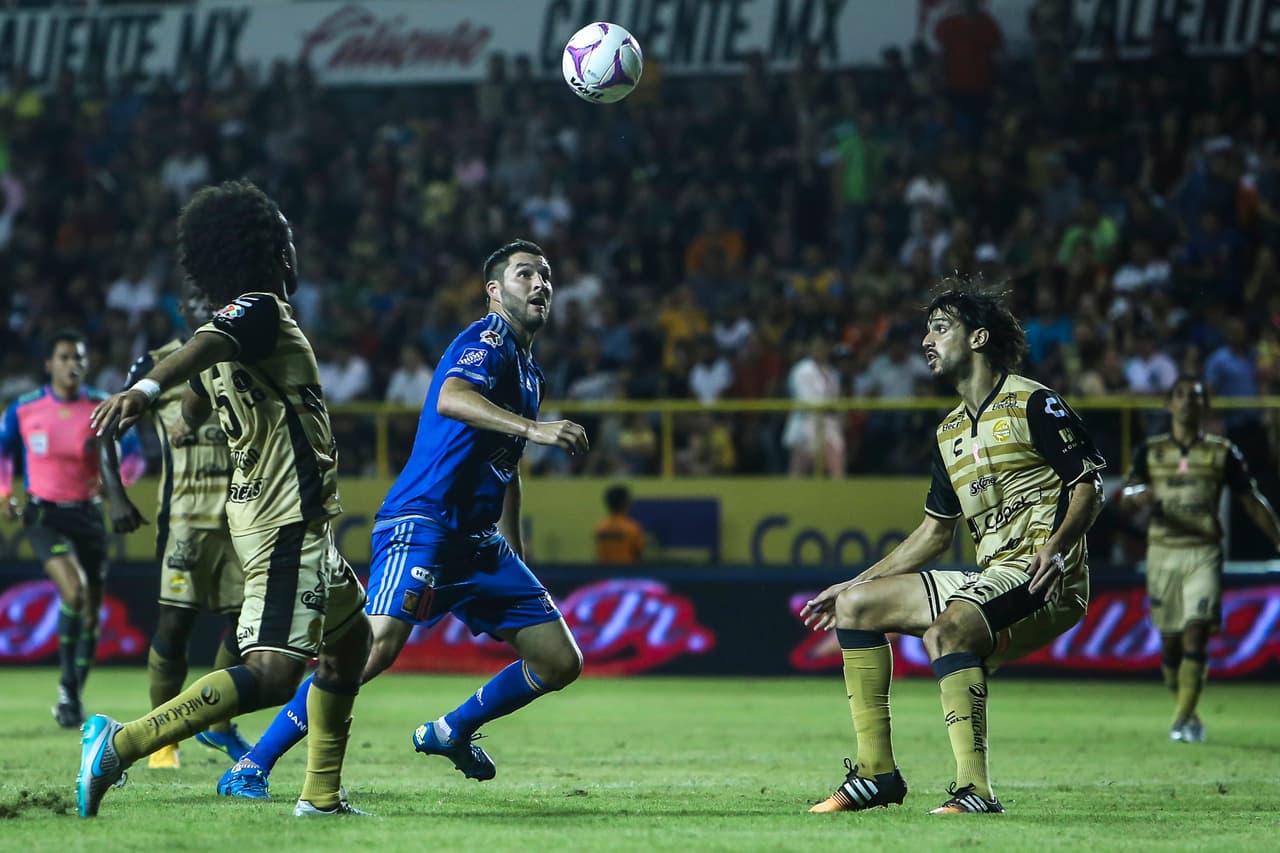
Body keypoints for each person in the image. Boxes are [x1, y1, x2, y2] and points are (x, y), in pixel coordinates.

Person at [216, 239, 588, 799]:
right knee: (374, 648)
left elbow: (506, 464)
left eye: (546, 275)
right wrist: (535, 428)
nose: (540, 284)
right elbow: (452, 397)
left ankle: (451, 730)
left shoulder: (529, 371)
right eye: (525, 274)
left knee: (559, 661)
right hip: (424, 522)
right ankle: (252, 765)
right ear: (494, 291)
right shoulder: (486, 339)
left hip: (477, 544)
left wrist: (512, 546)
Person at [80, 179, 372, 819]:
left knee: (351, 644)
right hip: (284, 517)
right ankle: (119, 745)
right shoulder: (260, 309)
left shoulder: (237, 328)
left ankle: (322, 797)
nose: (293, 249)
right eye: (287, 238)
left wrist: (184, 410)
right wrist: (147, 390)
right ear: (272, 252)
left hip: (285, 514)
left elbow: (201, 382)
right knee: (272, 674)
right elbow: (206, 349)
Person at [802, 282, 1106, 814]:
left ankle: (975, 791)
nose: (927, 340)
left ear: (979, 338)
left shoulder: (1034, 402)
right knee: (856, 607)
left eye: (941, 328)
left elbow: (1089, 484)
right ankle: (876, 775)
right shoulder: (949, 433)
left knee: (947, 631)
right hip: (993, 575)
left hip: (1045, 573)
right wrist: (852, 582)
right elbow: (934, 534)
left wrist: (1059, 548)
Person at [99, 289, 252, 770]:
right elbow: (106, 428)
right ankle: (162, 741)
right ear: (181, 309)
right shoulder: (157, 364)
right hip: (184, 519)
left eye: (212, 298)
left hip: (242, 518)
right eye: (195, 299)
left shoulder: (243, 352)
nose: (206, 306)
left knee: (248, 629)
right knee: (175, 625)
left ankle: (218, 724)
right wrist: (117, 495)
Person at [1118, 376, 1280, 743]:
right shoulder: (1150, 451)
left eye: (1195, 397)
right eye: (1181, 396)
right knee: (1170, 643)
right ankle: (1187, 711)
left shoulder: (1222, 453)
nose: (1188, 403)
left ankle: (1181, 720)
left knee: (1196, 631)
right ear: (1169, 404)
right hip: (1163, 553)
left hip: (1203, 552)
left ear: (1205, 405)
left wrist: (1277, 538)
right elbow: (1124, 498)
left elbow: (1250, 500)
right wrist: (1138, 496)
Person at [0, 330, 144, 728]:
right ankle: (66, 685)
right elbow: (3, 452)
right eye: (65, 357)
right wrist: (4, 492)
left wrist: (119, 483)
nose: (73, 364)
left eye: (79, 357)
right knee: (75, 591)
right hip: (44, 515)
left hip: (88, 515)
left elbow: (134, 455)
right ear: (49, 364)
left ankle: (73, 695)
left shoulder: (102, 405)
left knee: (92, 613)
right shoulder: (24, 408)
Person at [594, 484, 646, 564]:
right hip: (626, 570)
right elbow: (638, 555)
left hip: (605, 570)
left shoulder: (600, 527)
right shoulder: (632, 528)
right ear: (624, 503)